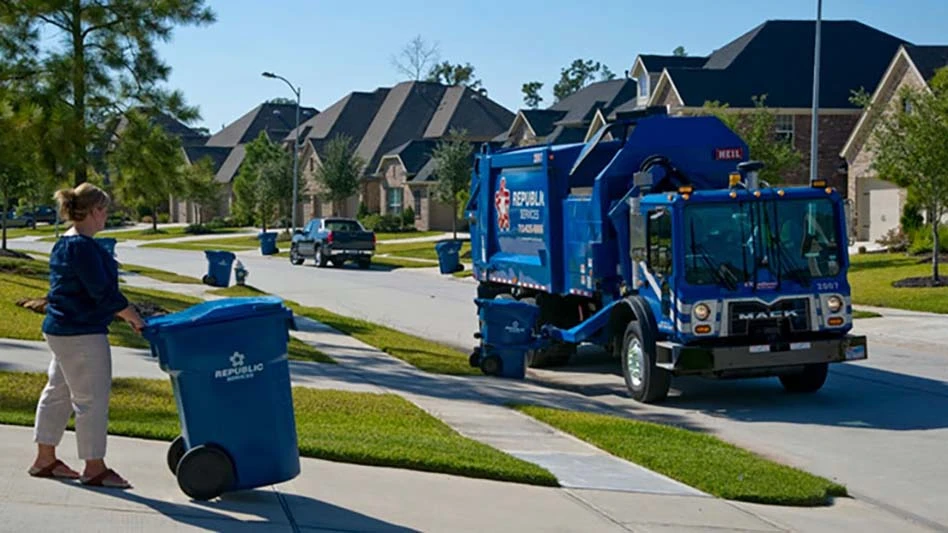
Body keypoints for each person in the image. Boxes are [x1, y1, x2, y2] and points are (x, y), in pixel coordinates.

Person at [28, 183, 144, 489]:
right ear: (93, 211)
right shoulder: (83, 246)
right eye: (104, 210)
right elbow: (102, 292)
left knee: (58, 392)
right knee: (91, 399)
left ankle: (45, 458)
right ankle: (94, 467)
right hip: (82, 333)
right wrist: (133, 316)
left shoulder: (65, 243)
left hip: (60, 330)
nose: (106, 216)